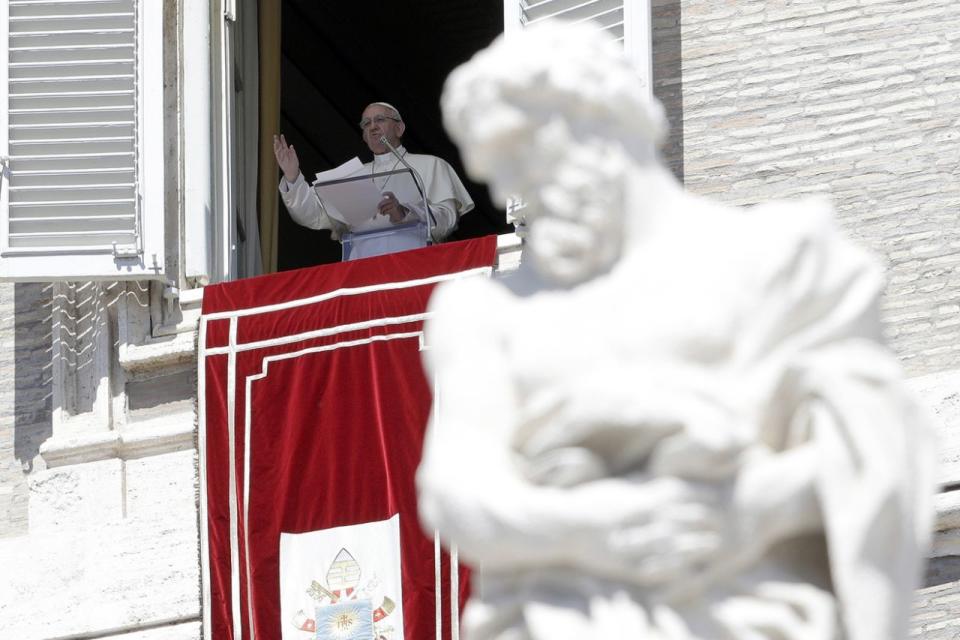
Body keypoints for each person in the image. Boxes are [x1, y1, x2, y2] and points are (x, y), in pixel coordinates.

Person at [415, 22, 934, 640]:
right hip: (553, 617)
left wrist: (749, 511)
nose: (509, 192)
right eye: (495, 172)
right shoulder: (482, 308)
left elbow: (879, 445)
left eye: (522, 154)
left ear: (599, 118)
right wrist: (598, 529)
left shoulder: (781, 260)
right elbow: (455, 488)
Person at [273, 102, 474, 260]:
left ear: (399, 128)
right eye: (366, 124)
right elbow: (313, 216)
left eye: (380, 120)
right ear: (363, 136)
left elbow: (447, 219)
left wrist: (405, 212)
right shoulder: (352, 175)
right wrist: (293, 177)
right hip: (363, 270)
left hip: (414, 264)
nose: (373, 127)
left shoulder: (430, 165)